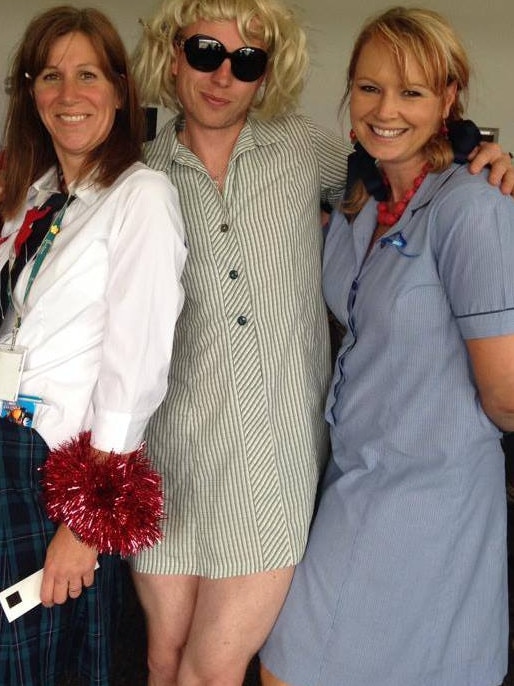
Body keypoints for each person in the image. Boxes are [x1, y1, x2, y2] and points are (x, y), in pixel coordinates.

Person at [129, 1, 514, 685]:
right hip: (173, 454)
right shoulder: (139, 175)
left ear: (267, 72)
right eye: (204, 53)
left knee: (222, 666)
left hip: (278, 459)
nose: (223, 77)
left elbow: (409, 158)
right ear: (172, 52)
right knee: (164, 654)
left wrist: (484, 156)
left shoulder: (305, 147)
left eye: (246, 60)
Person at [259, 6, 514, 686]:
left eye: (412, 91)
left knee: (292, 668)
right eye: (370, 88)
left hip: (434, 494)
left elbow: (508, 394)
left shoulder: (473, 207)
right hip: (353, 479)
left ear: (449, 99)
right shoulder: (360, 202)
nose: (385, 109)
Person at [0, 6, 186, 686]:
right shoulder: (35, 198)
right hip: (4, 449)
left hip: (55, 476)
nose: (68, 96)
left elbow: (136, 372)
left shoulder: (141, 197)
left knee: (38, 666)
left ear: (117, 89)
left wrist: (84, 523)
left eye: (87, 75)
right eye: (50, 76)